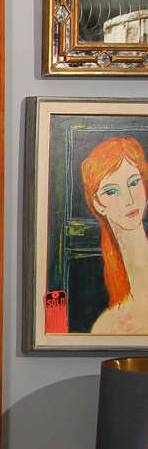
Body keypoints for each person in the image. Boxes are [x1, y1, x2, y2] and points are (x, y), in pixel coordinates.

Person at [80, 135, 148, 335]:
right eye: (111, 191)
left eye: (134, 182)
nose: (128, 199)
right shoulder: (107, 323)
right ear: (99, 204)